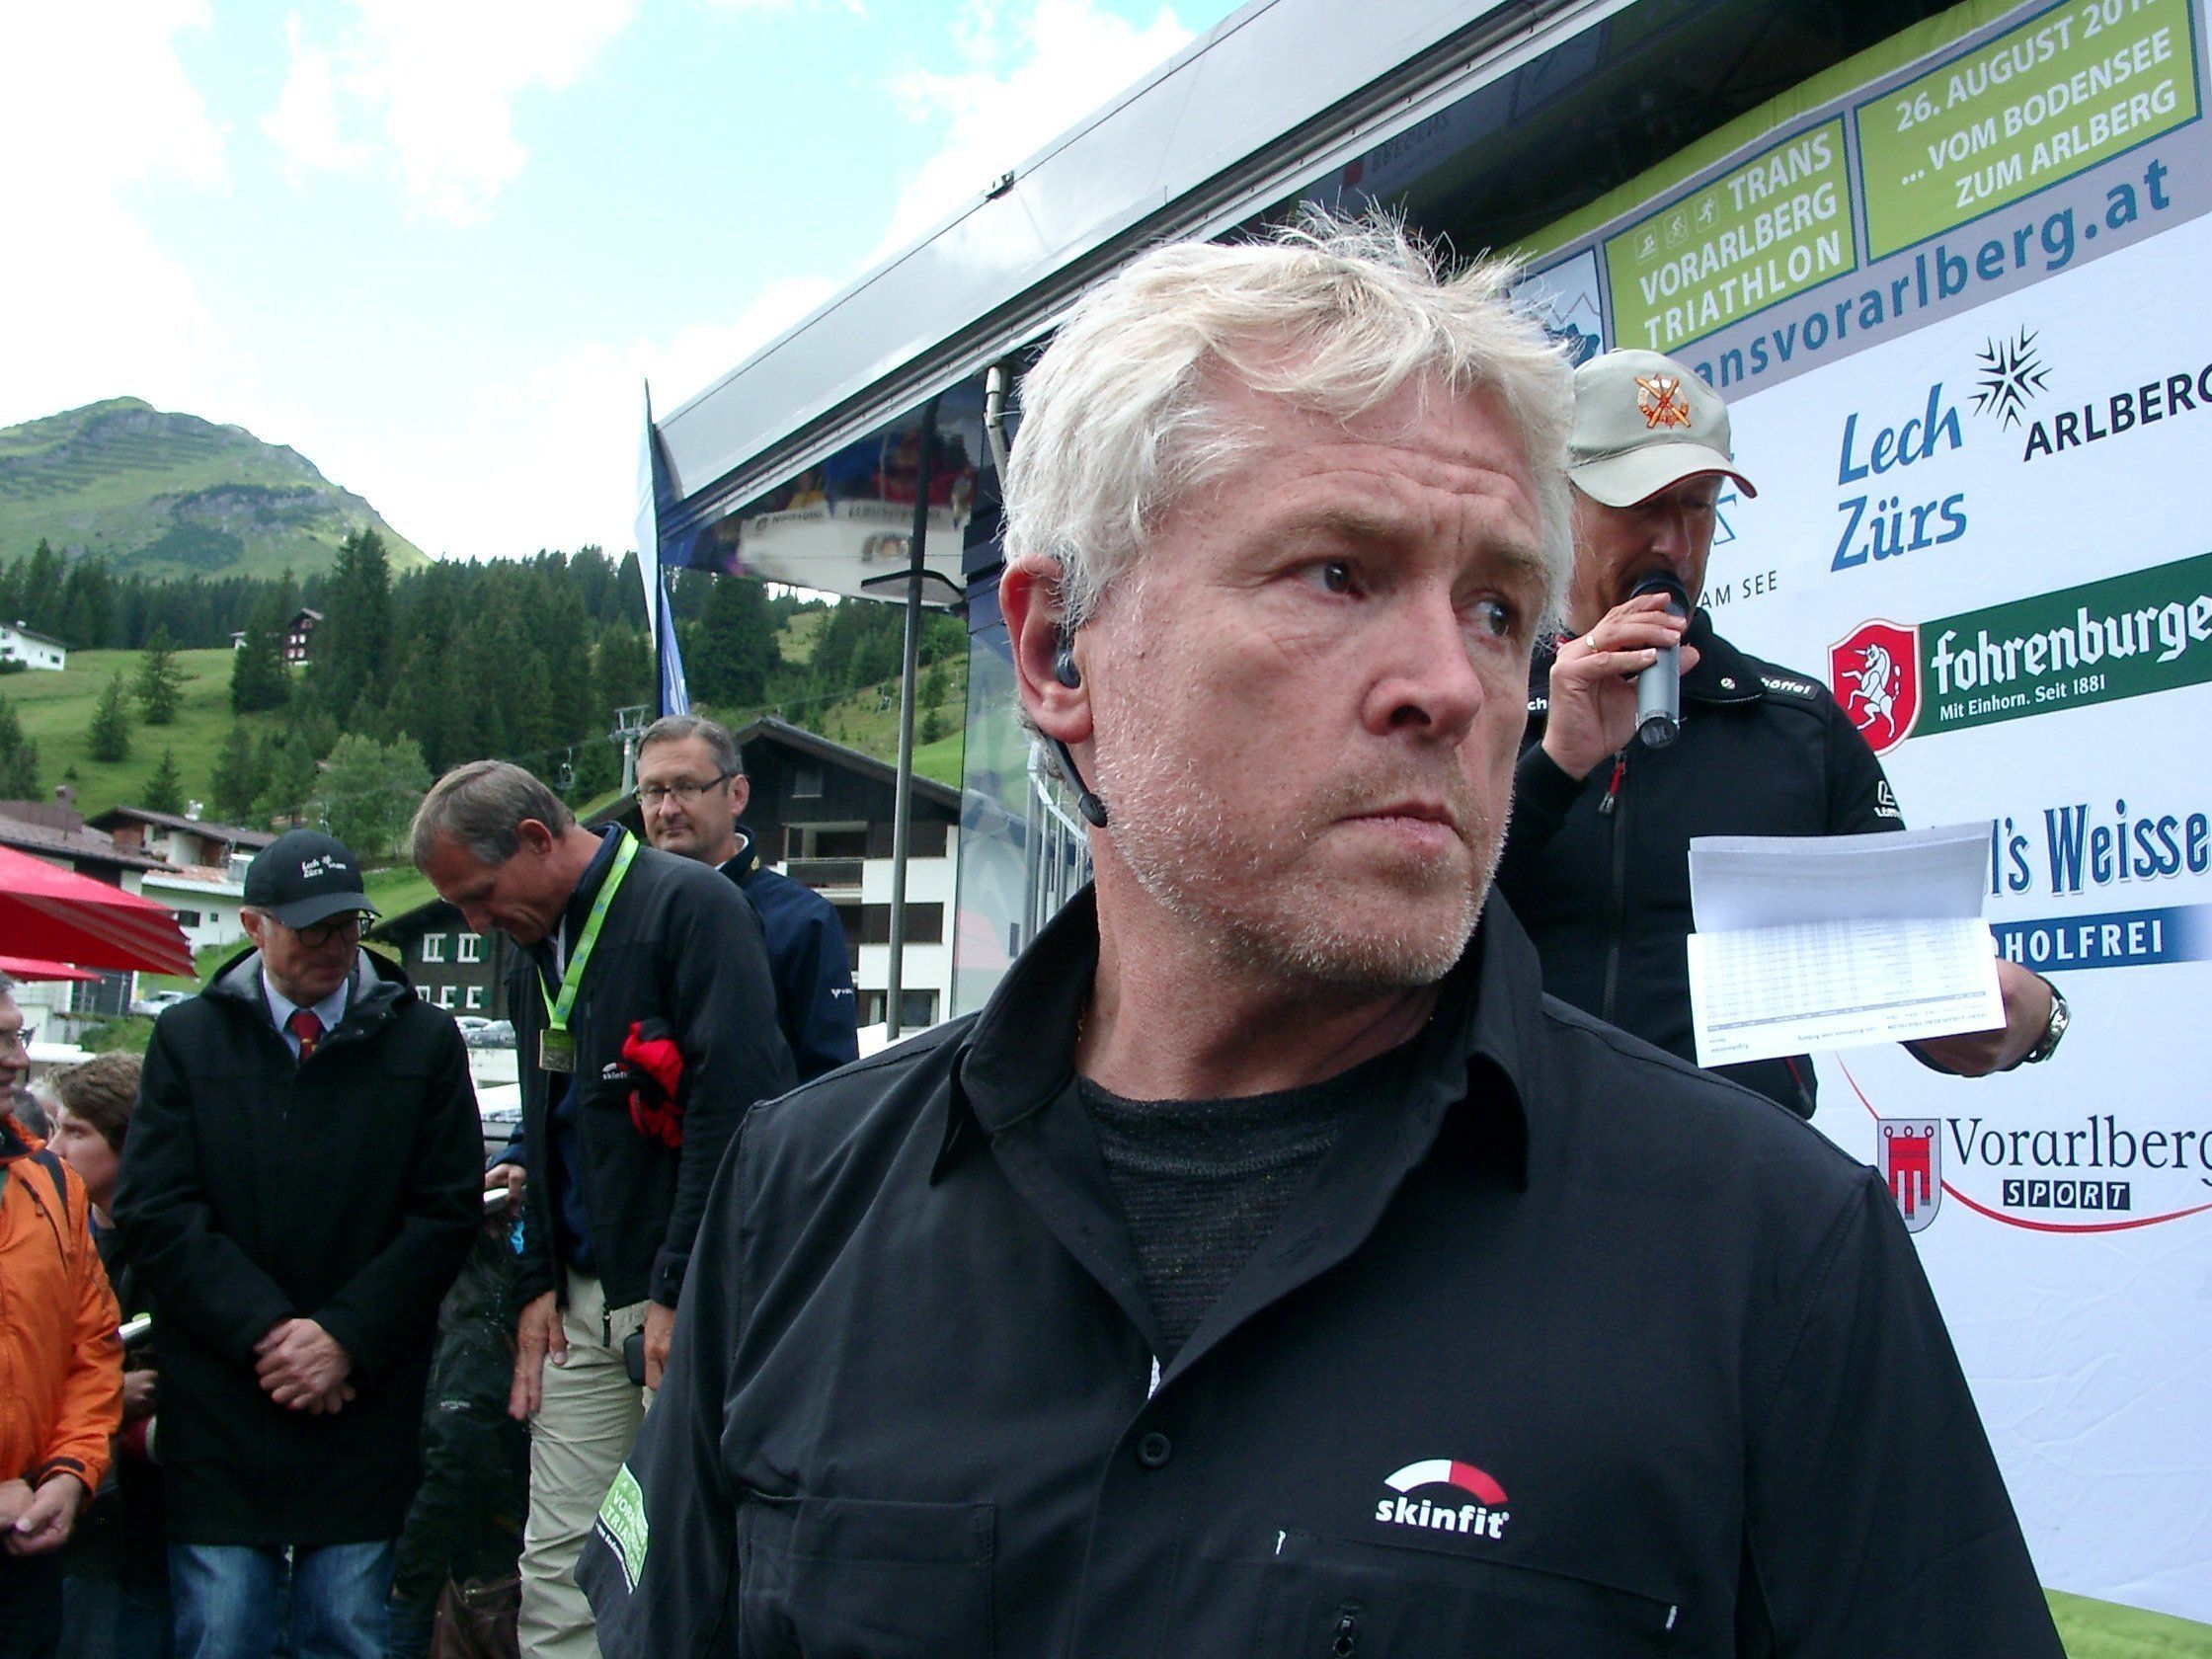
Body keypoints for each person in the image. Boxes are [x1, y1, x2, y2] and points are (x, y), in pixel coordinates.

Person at [573, 216, 2063, 1655]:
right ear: (1057, 650)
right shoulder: (800, 1193)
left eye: (1496, 611)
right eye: (1338, 574)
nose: (1455, 687)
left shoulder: (1778, 1255)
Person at [1494, 347, 2065, 1115]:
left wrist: (2029, 1014)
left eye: (1698, 505)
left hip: (1733, 1172)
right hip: (1513, 1162)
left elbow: (1924, 972)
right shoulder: (1478, 700)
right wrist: (1556, 766)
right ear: (1557, 504)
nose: (1674, 544)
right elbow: (1409, 943)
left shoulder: (1796, 724)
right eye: (1642, 505)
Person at [411, 762, 793, 1659]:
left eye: (479, 895)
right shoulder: (532, 945)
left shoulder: (691, 908)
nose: (474, 923)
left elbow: (736, 1113)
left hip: (689, 1302)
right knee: (561, 1562)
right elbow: (546, 1126)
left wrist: (680, 1288)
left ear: (537, 839)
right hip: (578, 1307)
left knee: (699, 1550)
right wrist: (535, 1279)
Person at [114, 830, 482, 1659]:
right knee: (221, 1630)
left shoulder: (421, 1041)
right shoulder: (189, 1039)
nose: (333, 945)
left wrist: (344, 1336)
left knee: (345, 1628)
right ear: (254, 926)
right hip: (223, 1391)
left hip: (361, 1396)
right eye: (311, 928)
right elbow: (156, 1208)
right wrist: (270, 1332)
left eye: (348, 925)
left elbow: (446, 1213)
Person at [0, 975, 123, 1659]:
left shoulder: (49, 1183)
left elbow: (93, 1350)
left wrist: (70, 1474)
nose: (17, 1059)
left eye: (16, 1036)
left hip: (27, 1537)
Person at [633, 714, 859, 1081]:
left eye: (686, 787)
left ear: (737, 794)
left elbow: (830, 1078)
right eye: (653, 791)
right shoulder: (622, 912)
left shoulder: (803, 920)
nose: (668, 809)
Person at [49, 1053, 171, 1659]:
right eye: (55, 1128)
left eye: (75, 1131)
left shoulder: (177, 1247)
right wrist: (107, 1395)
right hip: (74, 1504)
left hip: (156, 1514)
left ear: (128, 1144)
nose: (55, 1149)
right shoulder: (53, 1237)